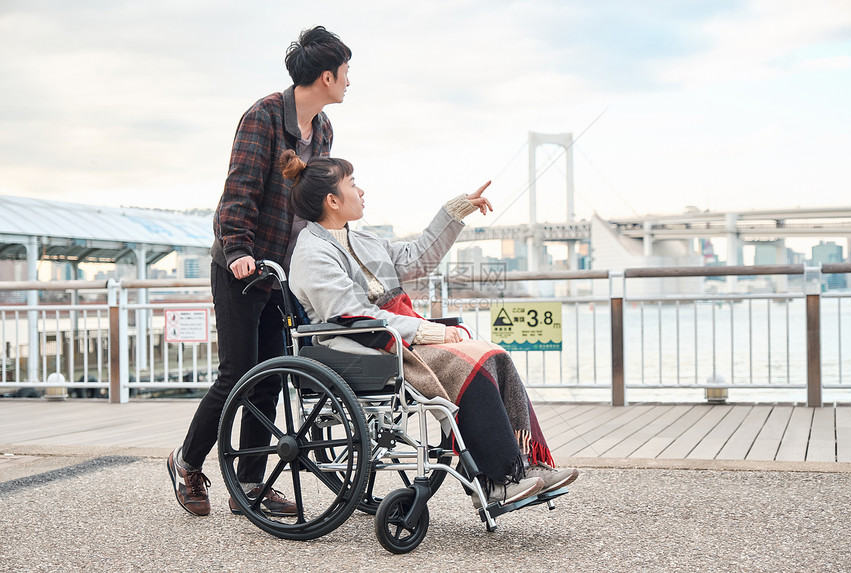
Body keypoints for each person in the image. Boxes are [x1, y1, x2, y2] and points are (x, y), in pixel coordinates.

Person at [284, 151, 579, 508]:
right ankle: (498, 480)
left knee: (492, 354)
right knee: (464, 363)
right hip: (360, 346)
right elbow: (353, 317)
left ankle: (525, 465)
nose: (361, 192)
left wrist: (456, 211)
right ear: (333, 200)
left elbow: (418, 258)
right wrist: (431, 333)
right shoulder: (312, 252)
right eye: (353, 184)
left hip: (390, 338)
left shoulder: (362, 240)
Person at [167, 26, 352, 517]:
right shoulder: (264, 117)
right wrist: (238, 252)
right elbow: (238, 194)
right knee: (237, 375)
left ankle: (247, 483)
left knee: (270, 377)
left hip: (283, 271)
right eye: (346, 72)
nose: (350, 81)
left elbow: (314, 203)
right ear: (327, 75)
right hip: (242, 266)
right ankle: (187, 462)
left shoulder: (324, 130)